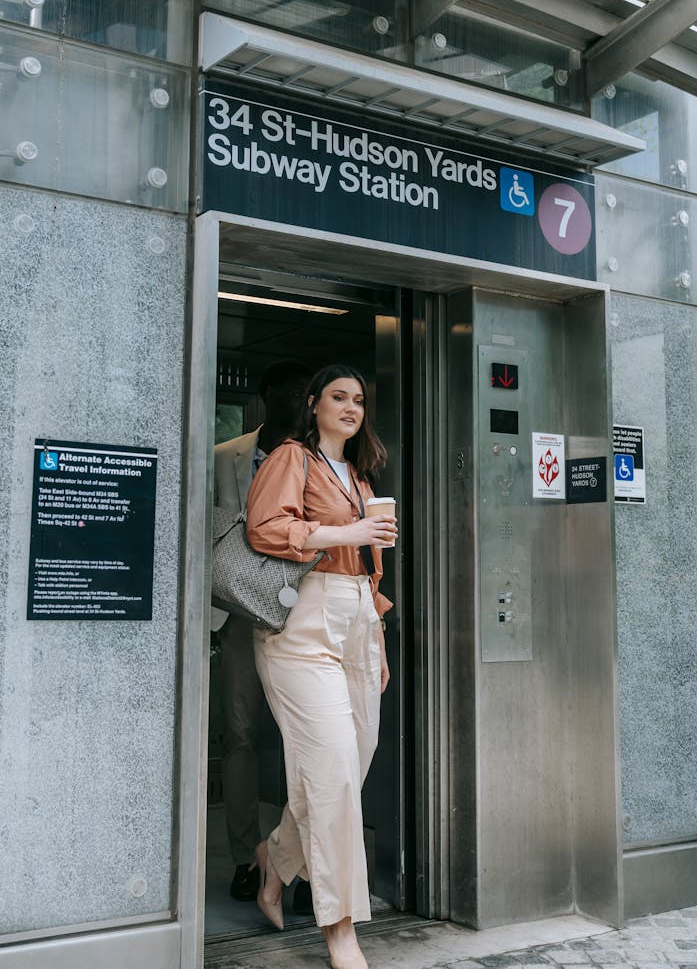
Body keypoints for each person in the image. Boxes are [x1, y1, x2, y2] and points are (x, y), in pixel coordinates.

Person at [245, 363, 397, 969]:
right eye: (339, 397)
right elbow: (265, 528)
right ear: (313, 404)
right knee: (331, 770)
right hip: (303, 626)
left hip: (360, 620)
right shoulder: (291, 458)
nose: (351, 407)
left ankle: (276, 858)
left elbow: (369, 568)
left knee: (349, 764)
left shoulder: (359, 475)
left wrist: (378, 639)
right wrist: (351, 529)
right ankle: (340, 930)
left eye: (359, 400)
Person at [213, 359, 312, 903]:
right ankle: (245, 856)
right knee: (241, 736)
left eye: (308, 389)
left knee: (304, 742)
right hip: (238, 616)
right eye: (293, 387)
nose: (301, 397)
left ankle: (291, 864)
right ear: (265, 390)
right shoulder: (224, 457)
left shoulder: (321, 460)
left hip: (301, 617)